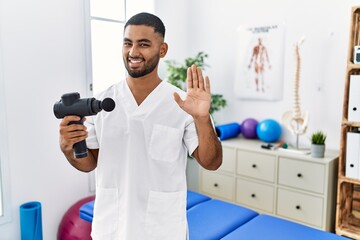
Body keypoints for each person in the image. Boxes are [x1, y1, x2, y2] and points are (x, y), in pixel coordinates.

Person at [58, 12, 222, 240]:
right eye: (128, 43)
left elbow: (211, 162)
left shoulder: (183, 104)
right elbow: (88, 164)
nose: (133, 52)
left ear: (162, 50)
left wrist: (203, 119)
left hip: (162, 229)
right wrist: (68, 148)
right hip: (111, 228)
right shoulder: (102, 102)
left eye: (143, 44)